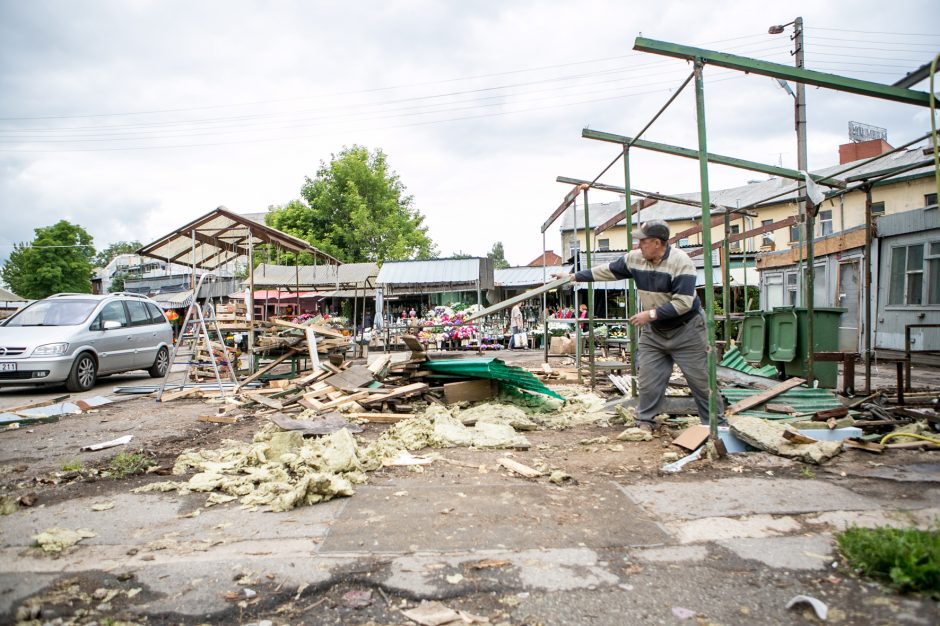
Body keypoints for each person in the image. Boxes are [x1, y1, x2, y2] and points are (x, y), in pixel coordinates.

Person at [553, 219, 723, 430]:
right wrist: (572, 276)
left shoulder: (681, 262)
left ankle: (716, 425)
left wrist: (650, 314)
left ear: (657, 243)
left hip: (687, 329)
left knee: (700, 379)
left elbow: (684, 302)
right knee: (649, 377)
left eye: (642, 242)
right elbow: (606, 271)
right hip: (655, 332)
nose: (638, 246)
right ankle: (645, 420)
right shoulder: (635, 259)